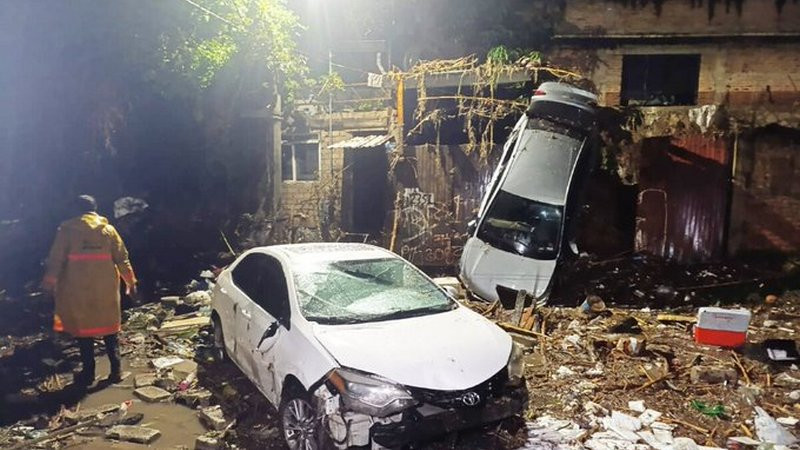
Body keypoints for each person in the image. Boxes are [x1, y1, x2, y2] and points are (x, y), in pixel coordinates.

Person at [41, 195, 137, 385]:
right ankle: (116, 371)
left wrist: (48, 285)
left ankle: (88, 373)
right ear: (95, 209)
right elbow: (122, 259)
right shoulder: (108, 230)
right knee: (110, 332)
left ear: (76, 209)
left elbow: (55, 261)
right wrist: (131, 282)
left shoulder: (67, 231)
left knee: (84, 333)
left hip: (77, 291)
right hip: (106, 290)